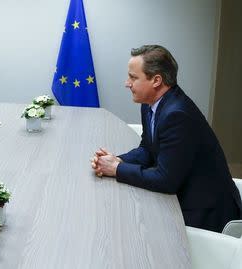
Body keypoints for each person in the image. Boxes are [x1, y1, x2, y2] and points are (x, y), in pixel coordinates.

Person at [91, 45, 241, 232]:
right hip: (185, 196)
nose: (127, 83)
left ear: (156, 80)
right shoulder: (150, 104)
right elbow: (147, 148)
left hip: (207, 215)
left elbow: (165, 179)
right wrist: (117, 160)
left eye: (133, 77)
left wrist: (118, 169)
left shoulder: (177, 115)